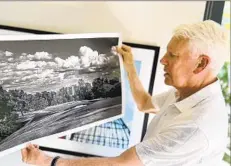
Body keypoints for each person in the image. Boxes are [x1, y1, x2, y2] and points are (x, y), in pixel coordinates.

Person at [21, 20, 229, 166]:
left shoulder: (196, 127)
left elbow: (122, 164)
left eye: (173, 55)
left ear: (201, 63)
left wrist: (47, 162)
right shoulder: (184, 94)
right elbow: (145, 104)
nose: (163, 60)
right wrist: (129, 66)